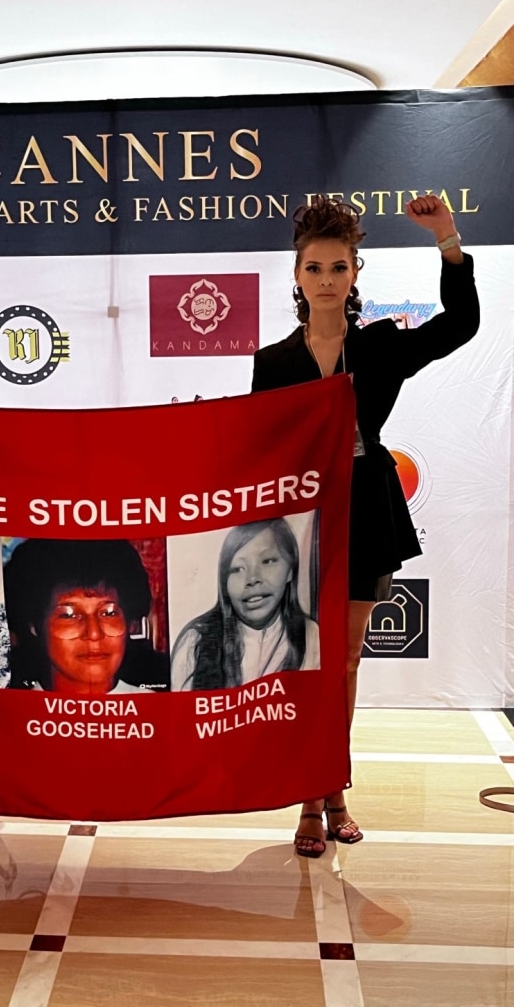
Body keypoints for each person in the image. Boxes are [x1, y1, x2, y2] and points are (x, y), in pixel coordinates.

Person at [250, 194, 479, 857]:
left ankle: (331, 793)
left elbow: (461, 325)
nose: (326, 279)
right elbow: (257, 447)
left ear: (354, 274)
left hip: (366, 513)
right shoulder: (273, 362)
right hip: (300, 524)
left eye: (338, 267)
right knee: (308, 663)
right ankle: (310, 795)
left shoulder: (378, 345)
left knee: (346, 661)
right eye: (314, 267)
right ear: (298, 276)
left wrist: (447, 238)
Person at [171, 518, 319, 690]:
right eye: (238, 569)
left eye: (267, 561)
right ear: (224, 582)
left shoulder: (312, 636)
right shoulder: (195, 642)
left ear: (290, 570)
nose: (253, 578)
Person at [4, 539, 162, 695]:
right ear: (35, 626)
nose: (94, 634)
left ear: (129, 623)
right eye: (69, 615)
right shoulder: (13, 708)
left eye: (108, 613)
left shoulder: (156, 705)